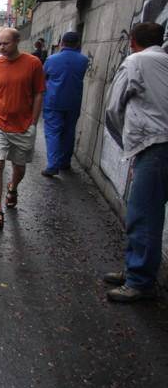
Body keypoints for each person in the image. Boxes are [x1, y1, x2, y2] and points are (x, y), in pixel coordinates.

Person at [103, 22, 168, 302]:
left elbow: (114, 109)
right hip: (159, 143)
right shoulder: (164, 60)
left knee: (143, 215)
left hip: (153, 144)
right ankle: (136, 270)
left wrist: (128, 144)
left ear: (132, 41)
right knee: (149, 212)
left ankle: (139, 281)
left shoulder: (136, 62)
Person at [0, 27, 45, 229]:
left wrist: (33, 123)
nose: (0, 47)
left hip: (22, 125)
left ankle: (13, 187)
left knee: (19, 166)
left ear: (17, 42)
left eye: (4, 44)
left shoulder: (33, 64)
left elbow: (38, 94)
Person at [41, 31, 89, 176]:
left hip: (53, 101)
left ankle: (53, 165)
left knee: (53, 132)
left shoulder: (52, 59)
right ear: (77, 44)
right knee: (69, 131)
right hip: (73, 101)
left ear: (61, 43)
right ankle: (64, 162)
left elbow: (43, 77)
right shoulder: (83, 60)